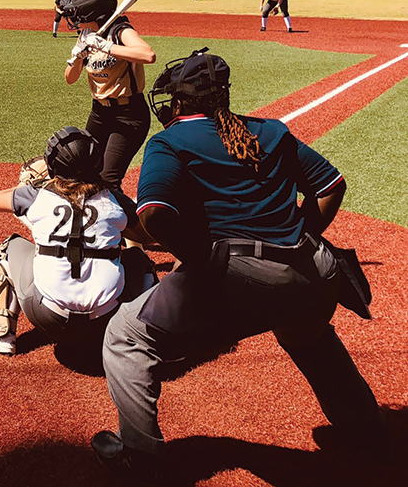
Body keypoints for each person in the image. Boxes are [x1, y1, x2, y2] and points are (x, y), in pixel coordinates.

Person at [91, 49, 386, 482]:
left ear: (181, 102)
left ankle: (141, 454)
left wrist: (196, 257)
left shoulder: (169, 141)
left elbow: (153, 214)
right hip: (315, 272)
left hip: (238, 276)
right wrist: (304, 234)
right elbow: (331, 185)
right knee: (310, 337)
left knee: (125, 336)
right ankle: (368, 435)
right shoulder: (271, 130)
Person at [0, 127, 155, 356]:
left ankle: (2, 333)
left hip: (48, 317)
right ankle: (151, 336)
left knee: (9, 247)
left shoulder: (38, 194)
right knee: (139, 260)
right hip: (108, 320)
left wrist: (30, 185)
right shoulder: (114, 199)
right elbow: (145, 235)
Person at [64, 0, 156, 192]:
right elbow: (70, 79)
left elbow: (148, 55)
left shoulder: (120, 30)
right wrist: (78, 56)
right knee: (83, 171)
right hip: (99, 113)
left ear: (94, 13)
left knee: (108, 181)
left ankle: (131, 223)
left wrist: (106, 47)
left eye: (80, 14)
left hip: (129, 114)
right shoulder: (86, 34)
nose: (76, 20)